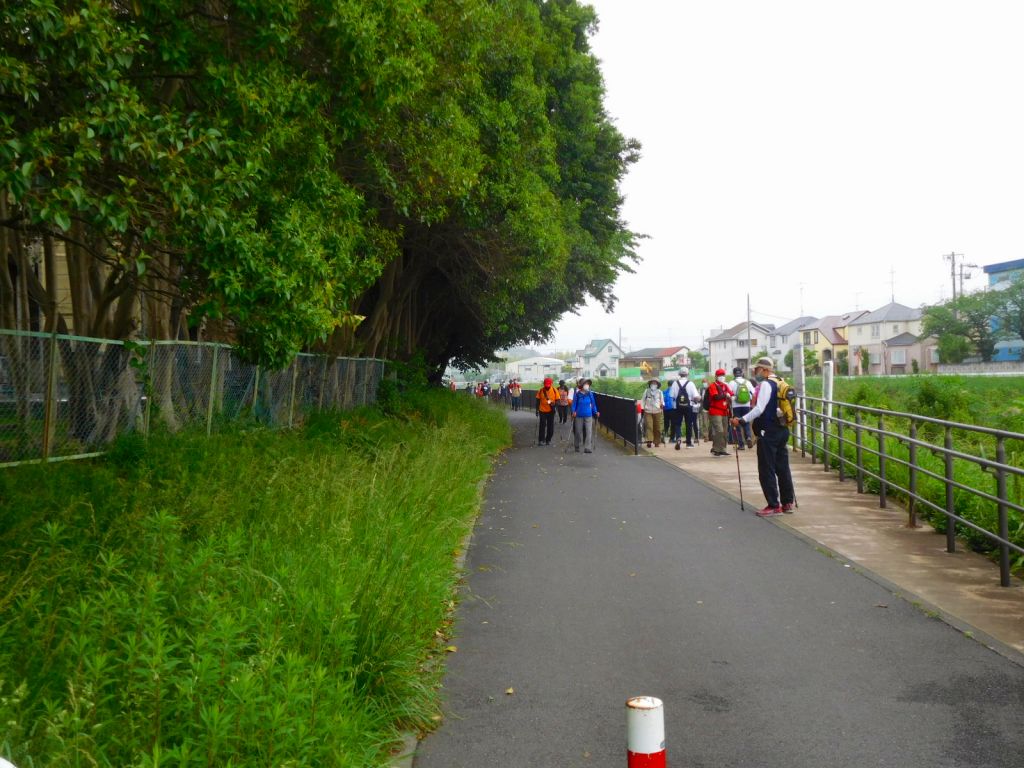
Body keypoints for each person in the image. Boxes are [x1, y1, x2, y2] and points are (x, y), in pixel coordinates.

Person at [730, 356, 796, 517]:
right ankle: (787, 502)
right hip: (782, 429)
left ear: (765, 370)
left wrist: (742, 419)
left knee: (766, 468)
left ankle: (774, 505)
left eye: (757, 368)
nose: (755, 371)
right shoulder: (781, 382)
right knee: (782, 467)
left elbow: (759, 408)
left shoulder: (767, 384)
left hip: (769, 431)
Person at [708, 368, 734, 456]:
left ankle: (723, 448)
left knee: (725, 431)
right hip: (715, 411)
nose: (722, 377)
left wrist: (730, 396)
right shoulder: (713, 385)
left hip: (724, 411)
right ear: (716, 376)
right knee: (719, 430)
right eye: (720, 375)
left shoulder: (725, 385)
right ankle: (716, 448)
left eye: (723, 375)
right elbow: (715, 397)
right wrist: (725, 395)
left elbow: (731, 394)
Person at [571, 378, 600, 453]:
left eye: (588, 384)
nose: (587, 385)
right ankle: (577, 445)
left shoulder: (590, 394)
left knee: (588, 431)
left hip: (588, 415)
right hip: (578, 415)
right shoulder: (577, 394)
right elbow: (574, 404)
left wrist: (596, 412)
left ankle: (587, 447)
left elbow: (593, 405)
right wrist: (573, 411)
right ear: (582, 385)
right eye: (585, 384)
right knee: (578, 431)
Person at [729, 366, 755, 450]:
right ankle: (748, 437)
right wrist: (751, 401)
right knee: (746, 422)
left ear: (734, 374)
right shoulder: (747, 382)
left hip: (736, 406)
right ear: (742, 373)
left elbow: (729, 394)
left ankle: (741, 445)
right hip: (746, 405)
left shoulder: (731, 383)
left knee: (737, 424)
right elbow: (754, 393)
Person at [675, 368, 699, 448]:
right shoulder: (690, 383)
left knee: (678, 423)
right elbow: (696, 396)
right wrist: (697, 399)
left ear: (679, 374)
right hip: (689, 406)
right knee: (688, 424)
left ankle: (678, 437)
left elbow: (672, 395)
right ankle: (688, 443)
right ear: (687, 374)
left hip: (678, 406)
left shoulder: (675, 383)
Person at [535, 377, 559, 445]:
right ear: (544, 384)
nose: (547, 387)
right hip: (542, 410)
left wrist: (554, 405)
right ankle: (541, 440)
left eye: (548, 385)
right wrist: (537, 410)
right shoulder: (541, 390)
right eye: (546, 385)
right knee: (542, 425)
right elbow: (537, 401)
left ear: (551, 384)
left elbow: (558, 400)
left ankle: (548, 439)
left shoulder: (554, 390)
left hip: (551, 411)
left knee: (550, 426)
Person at [641, 378, 664, 448]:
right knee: (649, 426)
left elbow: (662, 401)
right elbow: (643, 400)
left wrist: (662, 405)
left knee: (657, 427)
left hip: (657, 411)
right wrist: (642, 408)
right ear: (650, 384)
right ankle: (649, 441)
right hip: (648, 411)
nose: (653, 384)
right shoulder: (646, 391)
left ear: (657, 385)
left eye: (655, 383)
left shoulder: (660, 392)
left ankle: (657, 442)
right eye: (652, 383)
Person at [661, 378, 675, 445]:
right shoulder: (674, 392)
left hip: (665, 410)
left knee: (666, 424)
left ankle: (663, 436)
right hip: (672, 409)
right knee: (673, 424)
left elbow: (662, 401)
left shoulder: (664, 392)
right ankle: (672, 438)